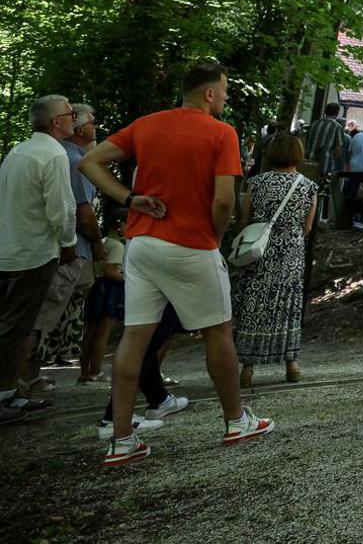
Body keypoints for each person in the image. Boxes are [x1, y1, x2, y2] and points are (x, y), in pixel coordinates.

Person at [79, 61, 274, 463]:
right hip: (192, 243)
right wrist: (215, 238)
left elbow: (90, 162)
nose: (224, 97)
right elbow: (224, 199)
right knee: (218, 331)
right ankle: (236, 419)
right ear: (208, 93)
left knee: (135, 336)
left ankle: (121, 438)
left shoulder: (146, 124)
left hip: (143, 241)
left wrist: (129, 200)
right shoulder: (222, 133)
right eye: (223, 91)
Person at [0, 95, 77, 423]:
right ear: (55, 121)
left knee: (15, 324)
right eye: (70, 113)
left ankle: (11, 391)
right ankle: (4, 395)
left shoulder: (18, 151)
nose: (74, 117)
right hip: (34, 253)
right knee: (17, 326)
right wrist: (69, 244)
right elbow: (61, 209)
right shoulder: (53, 154)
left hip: (10, 248)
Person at [24, 103, 102, 388]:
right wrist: (95, 243)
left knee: (52, 314)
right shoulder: (70, 159)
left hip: (61, 249)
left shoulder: (55, 154)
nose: (96, 128)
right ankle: (25, 380)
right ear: (79, 127)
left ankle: (28, 376)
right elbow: (80, 212)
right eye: (92, 122)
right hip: (69, 250)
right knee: (44, 316)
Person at [233, 134, 318, 388]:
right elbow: (308, 227)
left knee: (255, 305)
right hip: (290, 255)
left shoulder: (256, 183)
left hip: (259, 253)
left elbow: (245, 219)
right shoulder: (307, 186)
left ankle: (247, 369)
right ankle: (291, 364)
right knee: (287, 307)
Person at [79, 208, 127, 385]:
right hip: (111, 289)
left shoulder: (103, 242)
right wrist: (128, 279)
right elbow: (110, 270)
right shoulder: (118, 246)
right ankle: (96, 371)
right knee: (103, 332)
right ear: (121, 225)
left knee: (90, 331)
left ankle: (85, 373)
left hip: (96, 287)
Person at [304, 101, 350, 222]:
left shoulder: (315, 124)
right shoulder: (337, 127)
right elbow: (339, 149)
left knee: (307, 191)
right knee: (320, 194)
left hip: (309, 162)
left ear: (325, 111)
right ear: (337, 113)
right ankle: (315, 221)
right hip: (325, 165)